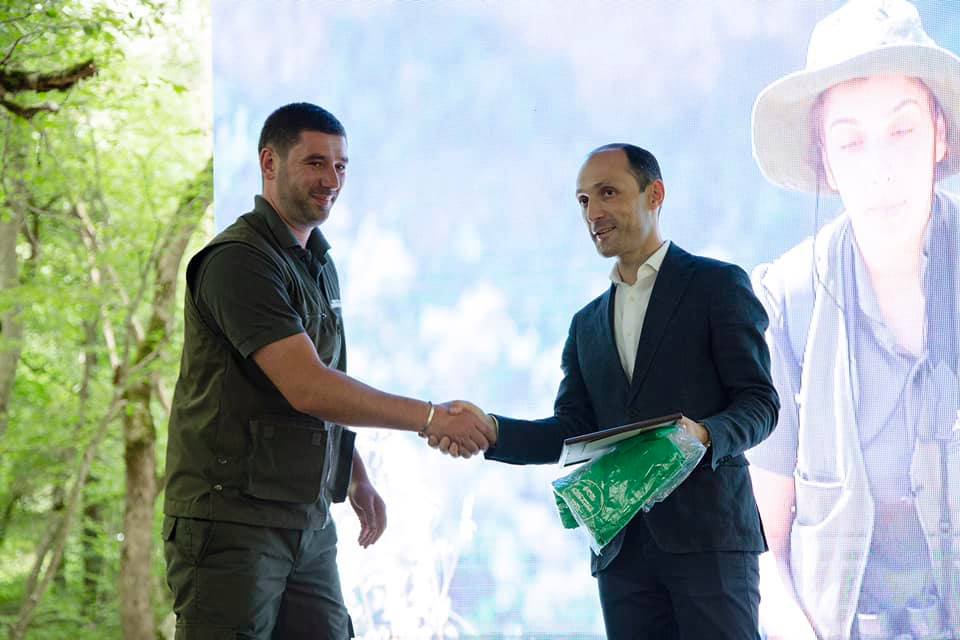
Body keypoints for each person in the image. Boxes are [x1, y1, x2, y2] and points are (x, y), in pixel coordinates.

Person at [161, 102, 495, 640]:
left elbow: (323, 383)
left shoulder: (318, 262)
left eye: (341, 166)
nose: (332, 180)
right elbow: (308, 387)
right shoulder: (238, 261)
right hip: (232, 524)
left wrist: (355, 475)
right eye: (316, 163)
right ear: (269, 163)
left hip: (307, 521)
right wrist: (432, 417)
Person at [432, 143, 779, 639]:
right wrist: (491, 430)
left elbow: (760, 403)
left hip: (710, 539)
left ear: (655, 194)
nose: (592, 212)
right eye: (583, 201)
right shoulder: (586, 325)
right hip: (621, 553)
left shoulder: (717, 285)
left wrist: (703, 435)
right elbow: (572, 431)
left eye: (608, 193)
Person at [746, 1, 960, 638]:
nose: (881, 167)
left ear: (939, 134)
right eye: (851, 141)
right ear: (827, 162)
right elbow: (761, 547)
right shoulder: (785, 307)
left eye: (902, 130)